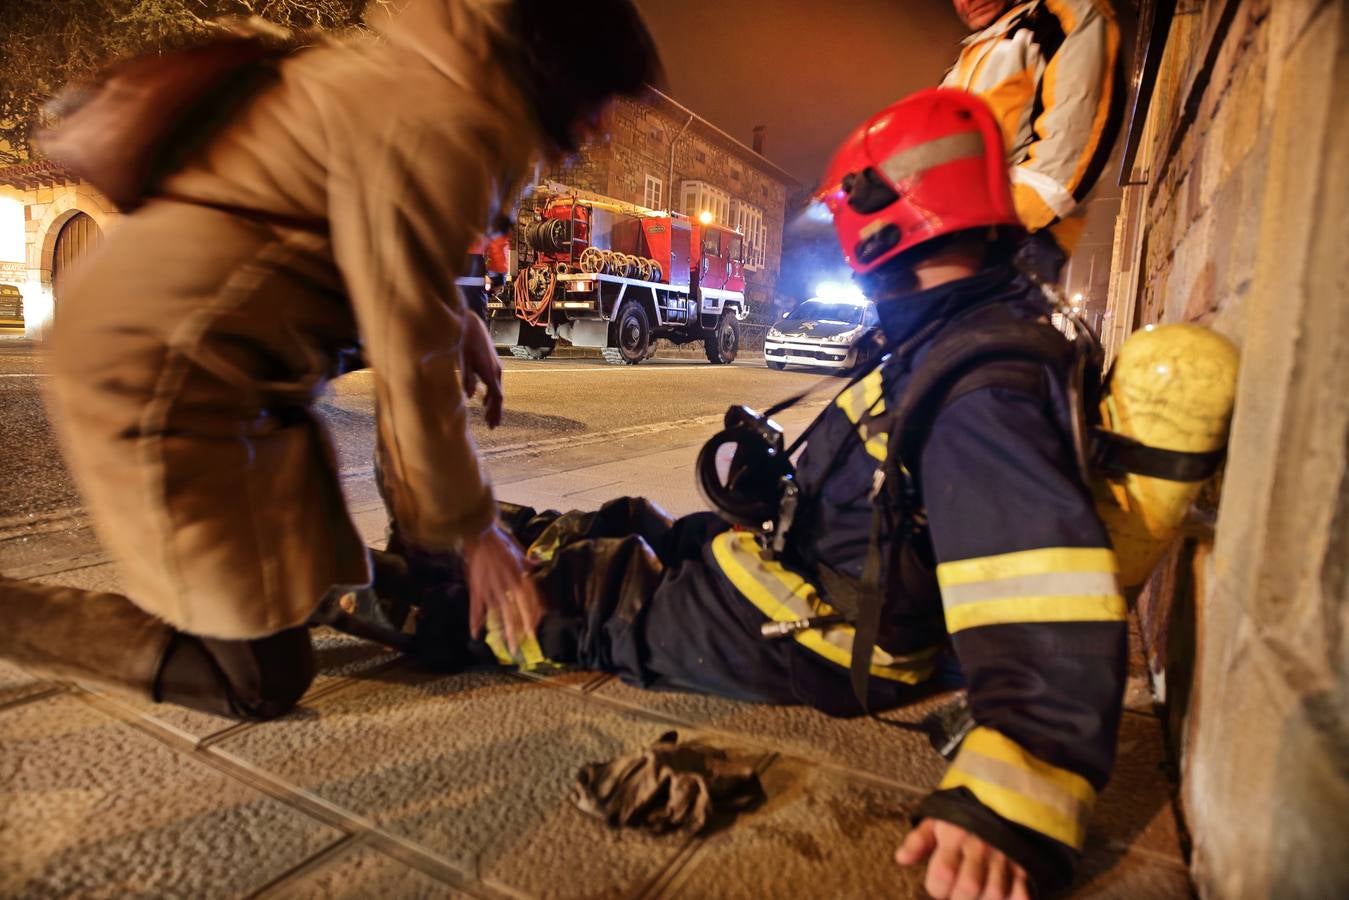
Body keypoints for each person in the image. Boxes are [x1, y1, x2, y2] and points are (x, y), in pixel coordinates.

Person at [408, 89, 1126, 898]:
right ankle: (508, 536)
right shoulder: (972, 327)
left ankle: (414, 599)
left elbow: (1034, 582)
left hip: (826, 628)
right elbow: (902, 481)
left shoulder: (982, 386)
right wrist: (788, 482)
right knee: (639, 526)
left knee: (594, 598)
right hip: (819, 565)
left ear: (880, 218)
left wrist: (1014, 796)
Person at [0, 0, 661, 720]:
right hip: (162, 364)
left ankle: (396, 584)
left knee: (309, 570)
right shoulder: (446, 124)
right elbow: (410, 360)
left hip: (226, 361)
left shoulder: (438, 84)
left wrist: (460, 322)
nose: (601, 127)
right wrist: (475, 532)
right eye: (603, 100)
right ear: (558, 70)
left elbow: (372, 251)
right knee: (253, 677)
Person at [942, 0, 1123, 282]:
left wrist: (975, 232)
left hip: (1015, 246)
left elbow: (1059, 170)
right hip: (954, 243)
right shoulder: (968, 59)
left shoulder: (1060, 19)